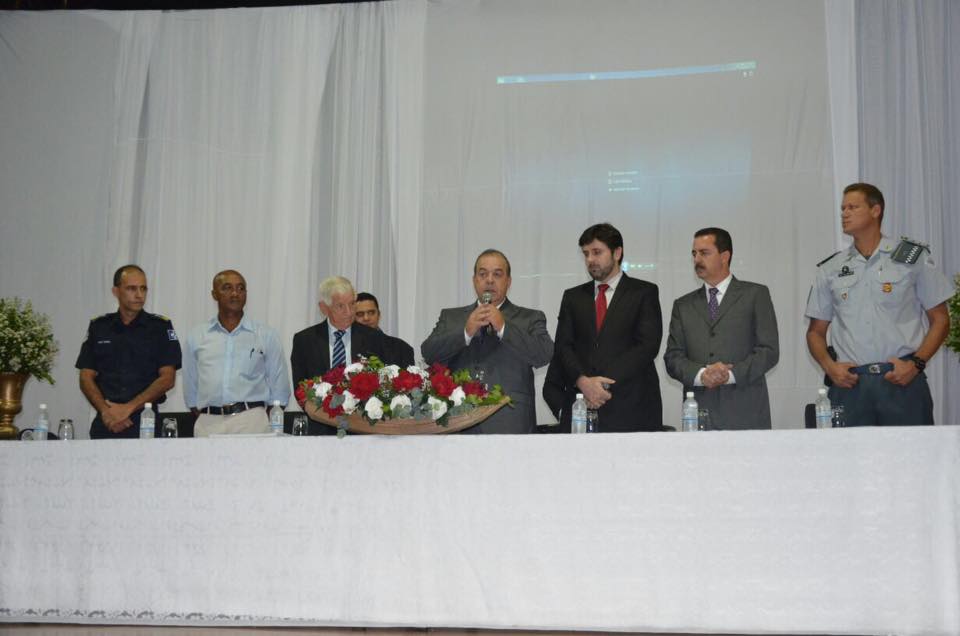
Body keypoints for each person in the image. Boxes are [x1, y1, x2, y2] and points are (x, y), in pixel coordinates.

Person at [805, 183, 952, 426]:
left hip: (902, 381)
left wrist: (916, 365)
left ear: (876, 210)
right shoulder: (831, 268)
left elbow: (941, 319)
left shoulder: (911, 256)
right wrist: (830, 367)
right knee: (849, 452)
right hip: (850, 385)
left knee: (911, 450)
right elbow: (815, 332)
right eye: (843, 208)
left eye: (853, 207)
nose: (844, 213)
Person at [421, 249, 554, 434]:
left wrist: (503, 327)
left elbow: (544, 354)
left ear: (508, 281)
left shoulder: (530, 318)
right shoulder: (451, 317)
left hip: (510, 422)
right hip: (458, 422)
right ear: (474, 280)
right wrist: (466, 332)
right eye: (483, 274)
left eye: (497, 274)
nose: (489, 280)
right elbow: (429, 353)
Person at [663, 228, 780, 429]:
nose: (696, 259)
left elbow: (769, 351)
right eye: (694, 253)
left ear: (725, 256)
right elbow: (673, 358)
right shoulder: (683, 305)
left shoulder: (755, 295)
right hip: (699, 414)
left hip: (746, 413)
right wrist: (702, 375)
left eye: (704, 253)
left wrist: (730, 375)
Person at [552, 223, 663, 432]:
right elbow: (563, 346)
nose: (590, 259)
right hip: (582, 406)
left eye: (597, 252)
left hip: (631, 406)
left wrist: (600, 385)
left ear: (617, 253)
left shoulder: (643, 292)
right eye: (586, 254)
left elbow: (647, 346)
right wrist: (583, 382)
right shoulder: (573, 297)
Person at [76, 265, 182, 439]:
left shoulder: (160, 327)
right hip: (106, 420)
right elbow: (85, 377)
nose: (139, 295)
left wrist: (128, 408)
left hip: (145, 420)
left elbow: (167, 378)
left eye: (143, 289)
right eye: (132, 288)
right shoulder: (100, 327)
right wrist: (106, 412)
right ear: (116, 291)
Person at [182, 270, 290, 436]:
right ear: (214, 294)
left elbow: (280, 390)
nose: (235, 293)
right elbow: (191, 388)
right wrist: (211, 414)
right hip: (208, 422)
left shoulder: (266, 335)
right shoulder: (197, 336)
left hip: (251, 421)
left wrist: (261, 420)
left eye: (241, 288)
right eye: (227, 288)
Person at [290, 276, 386, 434]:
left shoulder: (374, 338)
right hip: (319, 427)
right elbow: (301, 389)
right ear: (324, 308)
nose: (349, 312)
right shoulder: (305, 340)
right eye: (340, 306)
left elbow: (382, 384)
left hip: (363, 428)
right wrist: (322, 413)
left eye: (352, 304)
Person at [355, 291, 415, 367]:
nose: (366, 318)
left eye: (371, 313)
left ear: (379, 315)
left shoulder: (402, 349)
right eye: (360, 314)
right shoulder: (346, 349)